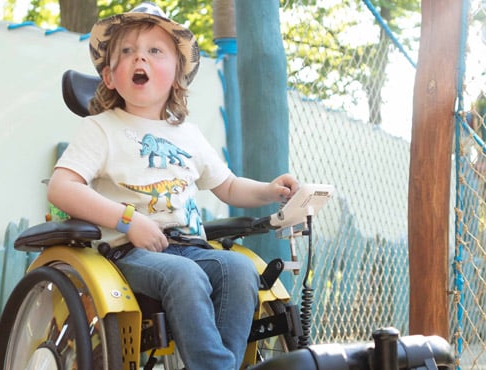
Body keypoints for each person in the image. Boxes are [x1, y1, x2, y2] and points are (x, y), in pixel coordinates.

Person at [47, 3, 299, 369]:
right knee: (185, 275)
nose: (141, 59)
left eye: (154, 51)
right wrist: (129, 220)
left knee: (239, 269)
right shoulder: (101, 128)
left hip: (190, 247)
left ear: (177, 76)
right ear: (109, 77)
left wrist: (271, 189)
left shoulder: (188, 135)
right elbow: (62, 188)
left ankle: (220, 365)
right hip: (126, 252)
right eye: (128, 52)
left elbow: (227, 186)